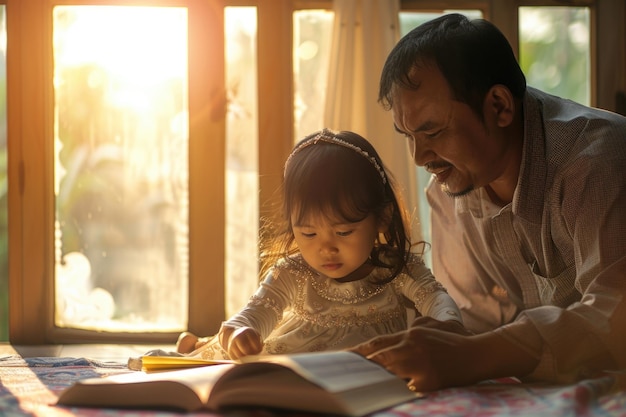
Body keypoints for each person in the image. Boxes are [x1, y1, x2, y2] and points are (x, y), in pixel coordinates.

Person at [351, 13, 626, 392]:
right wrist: (445, 336)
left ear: (499, 106)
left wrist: (474, 355)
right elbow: (475, 320)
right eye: (408, 135)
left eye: (432, 130)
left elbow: (615, 318)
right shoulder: (448, 190)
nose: (418, 157)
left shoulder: (595, 163)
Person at [177, 128, 463, 361]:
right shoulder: (291, 273)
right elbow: (253, 315)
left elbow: (436, 298)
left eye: (344, 232)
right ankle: (199, 346)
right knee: (215, 357)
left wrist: (448, 324)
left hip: (370, 378)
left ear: (382, 219)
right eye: (309, 234)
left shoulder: (398, 269)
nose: (326, 248)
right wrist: (241, 333)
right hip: (296, 374)